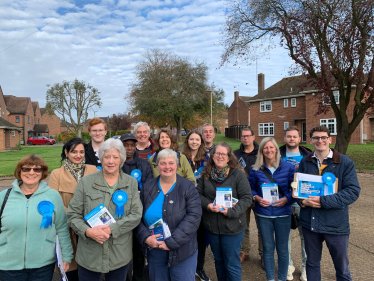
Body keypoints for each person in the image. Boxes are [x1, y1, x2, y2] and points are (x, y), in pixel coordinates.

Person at [67, 138, 143, 281]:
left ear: (121, 159)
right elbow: (73, 215)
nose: (110, 161)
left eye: (115, 157)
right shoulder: (86, 182)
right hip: (90, 254)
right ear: (101, 158)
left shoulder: (131, 182)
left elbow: (136, 215)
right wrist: (88, 231)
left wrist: (111, 229)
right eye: (107, 157)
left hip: (119, 253)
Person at [298, 126, 360, 281]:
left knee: (342, 267)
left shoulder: (344, 162)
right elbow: (298, 190)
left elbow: (352, 191)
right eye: (316, 138)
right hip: (310, 223)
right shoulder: (305, 162)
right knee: (312, 264)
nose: (320, 141)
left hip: (336, 224)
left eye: (323, 137)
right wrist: (302, 201)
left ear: (329, 139)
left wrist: (323, 201)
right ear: (311, 140)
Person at [0, 155, 73, 281]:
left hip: (43, 265)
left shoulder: (53, 196)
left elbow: (62, 227)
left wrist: (66, 255)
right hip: (8, 264)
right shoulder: (4, 196)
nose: (31, 173)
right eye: (26, 169)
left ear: (43, 173)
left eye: (37, 169)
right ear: (19, 171)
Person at [136, 149, 202, 281]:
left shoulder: (187, 186)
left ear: (177, 166)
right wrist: (146, 238)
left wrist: (171, 243)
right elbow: (137, 217)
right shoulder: (148, 187)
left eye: (171, 163)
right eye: (163, 163)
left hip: (182, 251)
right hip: (155, 249)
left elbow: (193, 217)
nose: (167, 167)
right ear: (157, 166)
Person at [197, 143, 252, 281]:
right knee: (219, 261)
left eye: (223, 154)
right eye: (217, 153)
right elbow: (198, 196)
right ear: (212, 156)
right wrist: (208, 205)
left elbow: (247, 198)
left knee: (231, 263)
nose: (220, 156)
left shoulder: (238, 175)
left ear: (229, 158)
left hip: (232, 227)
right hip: (212, 227)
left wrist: (232, 212)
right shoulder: (206, 175)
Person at [49, 138, 98, 281]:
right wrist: (75, 218)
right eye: (74, 151)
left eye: (81, 152)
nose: (78, 155)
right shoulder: (56, 174)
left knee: (89, 267)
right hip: (68, 226)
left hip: (91, 225)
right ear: (66, 152)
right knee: (70, 268)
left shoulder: (93, 170)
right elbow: (54, 201)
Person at [249, 137, 294, 281]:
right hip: (264, 214)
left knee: (282, 250)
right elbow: (250, 189)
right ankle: (270, 278)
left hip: (283, 214)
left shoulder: (288, 168)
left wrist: (287, 199)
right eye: (265, 148)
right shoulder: (255, 170)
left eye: (271, 147)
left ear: (276, 149)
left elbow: (295, 190)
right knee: (268, 249)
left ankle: (281, 278)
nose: (268, 150)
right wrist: (256, 198)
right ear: (262, 151)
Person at [279, 126, 311, 281]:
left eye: (294, 136)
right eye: (289, 136)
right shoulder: (277, 153)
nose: (291, 139)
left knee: (306, 236)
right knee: (284, 237)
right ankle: (288, 265)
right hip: (284, 201)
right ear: (285, 138)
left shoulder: (308, 155)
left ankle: (306, 266)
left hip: (303, 201)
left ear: (299, 139)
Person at [120, 133, 152, 281]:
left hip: (139, 213)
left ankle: (138, 278)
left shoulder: (144, 165)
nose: (129, 148)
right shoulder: (116, 165)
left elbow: (149, 189)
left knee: (139, 251)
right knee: (121, 251)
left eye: (132, 145)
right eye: (126, 145)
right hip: (120, 214)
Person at [181, 130, 210, 281]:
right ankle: (185, 267)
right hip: (184, 202)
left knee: (201, 236)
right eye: (191, 139)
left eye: (197, 139)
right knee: (185, 234)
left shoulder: (207, 159)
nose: (194, 142)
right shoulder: (180, 158)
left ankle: (199, 268)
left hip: (201, 201)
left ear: (201, 142)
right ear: (187, 141)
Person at [234, 127, 263, 266]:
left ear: (253, 136)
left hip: (259, 195)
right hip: (241, 195)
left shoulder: (261, 152)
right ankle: (244, 250)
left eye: (248, 136)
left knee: (261, 226)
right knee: (243, 225)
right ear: (241, 138)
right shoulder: (235, 154)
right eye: (243, 136)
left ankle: (264, 254)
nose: (246, 138)